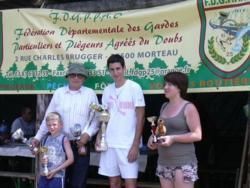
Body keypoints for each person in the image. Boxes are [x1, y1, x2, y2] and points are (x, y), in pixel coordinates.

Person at [32, 63, 99, 188]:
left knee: (78, 183)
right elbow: (49, 117)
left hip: (81, 146)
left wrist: (87, 134)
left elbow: (96, 119)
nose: (76, 78)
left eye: (80, 75)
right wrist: (37, 137)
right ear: (68, 76)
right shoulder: (59, 93)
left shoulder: (90, 94)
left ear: (84, 78)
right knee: (59, 181)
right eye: (73, 75)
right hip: (59, 145)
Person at [96, 54, 145, 188]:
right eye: (112, 69)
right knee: (114, 183)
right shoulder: (107, 90)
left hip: (127, 144)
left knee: (130, 184)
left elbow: (140, 117)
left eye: (118, 68)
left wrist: (135, 145)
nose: (115, 72)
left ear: (124, 68)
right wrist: (100, 136)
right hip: (110, 143)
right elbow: (105, 116)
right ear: (108, 70)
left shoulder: (135, 87)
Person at [147, 72, 202, 188]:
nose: (165, 87)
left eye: (170, 84)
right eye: (165, 84)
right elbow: (160, 131)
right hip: (163, 162)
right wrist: (153, 139)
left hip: (183, 163)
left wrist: (173, 138)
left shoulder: (189, 107)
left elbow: (197, 135)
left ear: (179, 88)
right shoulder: (164, 106)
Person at [38, 112, 74, 188]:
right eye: (49, 125)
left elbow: (71, 159)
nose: (52, 127)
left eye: (54, 124)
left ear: (61, 125)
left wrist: (55, 171)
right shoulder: (44, 139)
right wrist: (42, 159)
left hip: (58, 176)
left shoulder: (64, 139)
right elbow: (41, 155)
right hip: (44, 175)